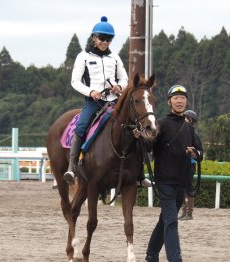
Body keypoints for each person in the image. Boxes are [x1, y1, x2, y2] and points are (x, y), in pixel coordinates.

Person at [63, 16, 152, 187]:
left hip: (115, 101)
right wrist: (91, 91)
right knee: (81, 127)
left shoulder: (115, 58)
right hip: (93, 102)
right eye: (102, 38)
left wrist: (119, 86)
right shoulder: (83, 57)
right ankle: (72, 167)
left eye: (109, 39)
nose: (105, 42)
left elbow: (125, 79)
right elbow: (75, 81)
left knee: (136, 127)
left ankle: (140, 174)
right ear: (94, 38)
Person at [144, 85, 203, 262]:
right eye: (176, 98)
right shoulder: (161, 123)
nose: (179, 101)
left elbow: (200, 152)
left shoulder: (189, 128)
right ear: (170, 101)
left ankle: (151, 254)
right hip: (165, 181)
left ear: (186, 101)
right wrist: (143, 135)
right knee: (172, 221)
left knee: (165, 220)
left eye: (182, 98)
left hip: (182, 183)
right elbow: (148, 147)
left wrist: (196, 153)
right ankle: (175, 259)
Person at [178, 110, 198, 220]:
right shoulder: (182, 131)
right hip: (182, 163)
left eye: (185, 118)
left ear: (190, 120)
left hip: (190, 164)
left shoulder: (193, 133)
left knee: (188, 188)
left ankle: (189, 213)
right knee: (181, 188)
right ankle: (184, 211)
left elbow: (196, 149)